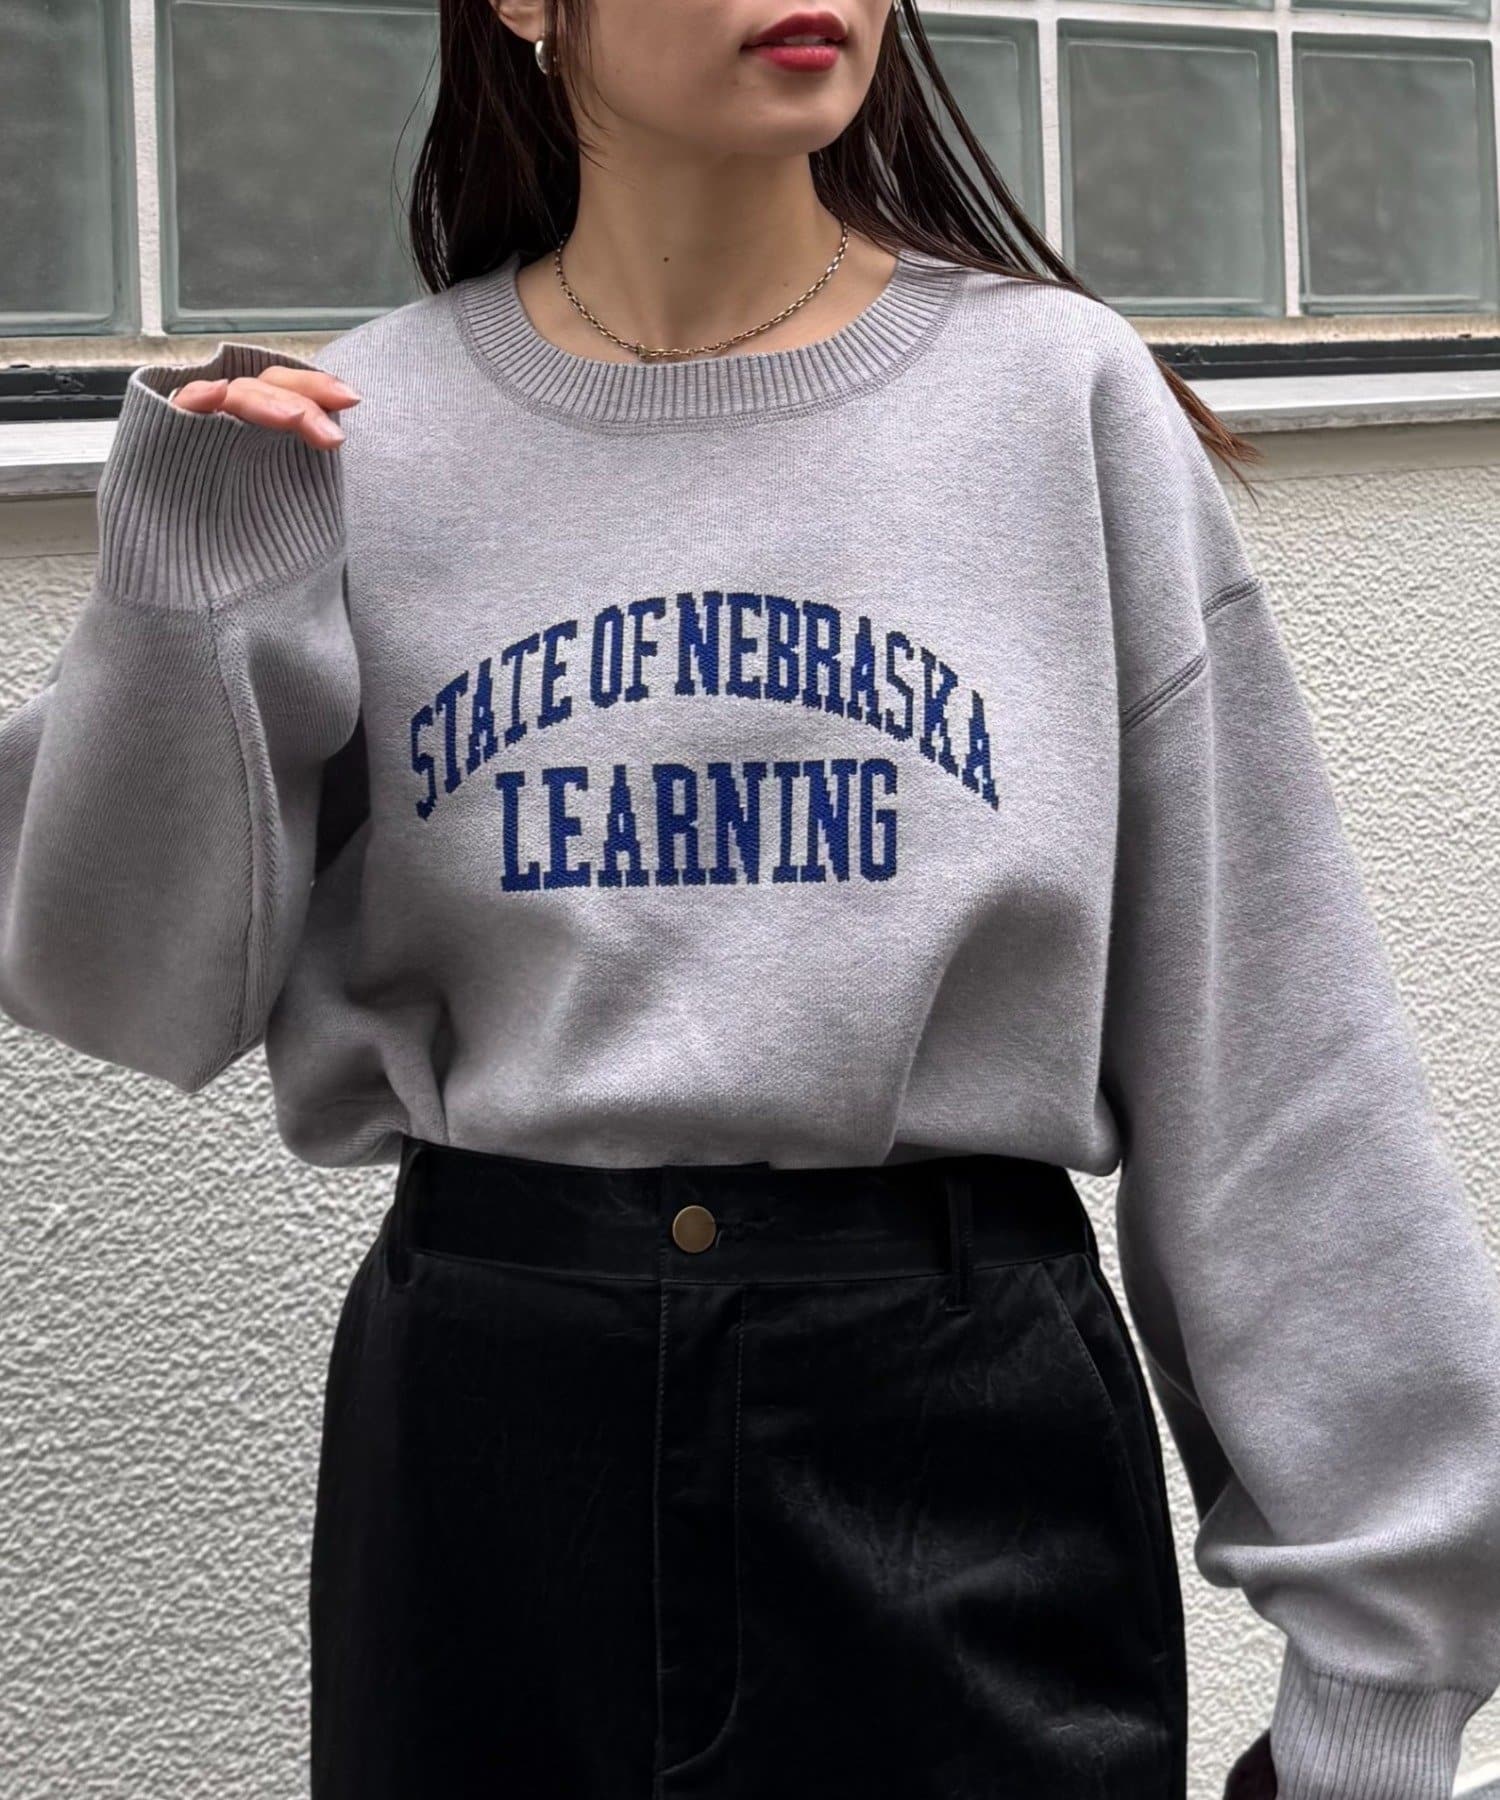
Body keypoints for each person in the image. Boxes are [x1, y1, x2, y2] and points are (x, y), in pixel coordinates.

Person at [3, 1, 1498, 1796]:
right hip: (487, 1457)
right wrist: (187, 589)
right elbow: (127, 989)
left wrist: (1386, 1677)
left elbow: (1266, 1050)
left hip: (952, 1436)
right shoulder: (360, 430)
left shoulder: (1050, 398)